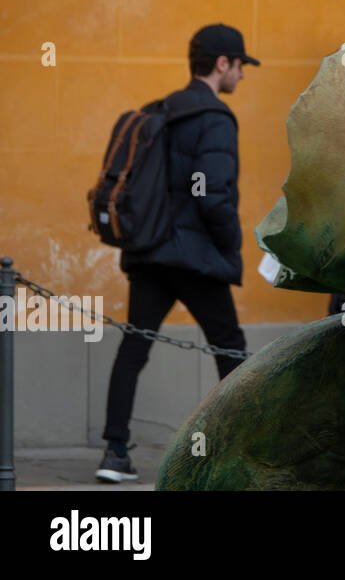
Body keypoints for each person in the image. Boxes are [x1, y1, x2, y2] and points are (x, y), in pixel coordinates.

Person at [95, 24, 259, 483]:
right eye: (240, 64)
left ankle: (113, 453)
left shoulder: (159, 111)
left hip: (149, 252)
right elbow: (211, 194)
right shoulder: (215, 117)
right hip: (195, 255)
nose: (243, 74)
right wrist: (230, 244)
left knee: (134, 347)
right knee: (231, 351)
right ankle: (241, 450)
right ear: (222, 64)